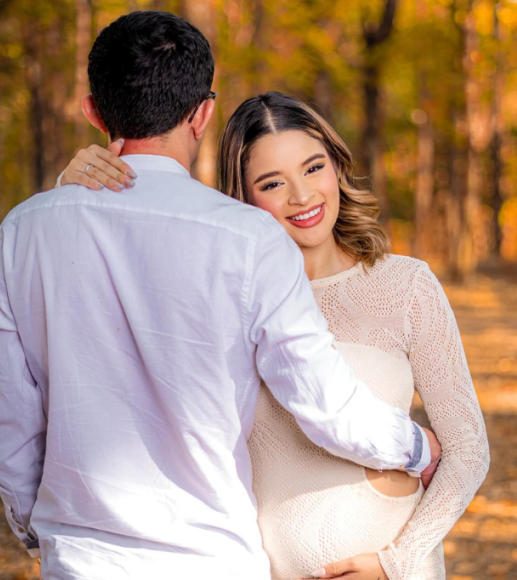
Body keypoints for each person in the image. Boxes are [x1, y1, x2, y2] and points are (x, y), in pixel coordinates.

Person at [0, 12, 439, 580]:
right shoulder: (249, 237)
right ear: (203, 113)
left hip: (80, 556)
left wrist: (36, 528)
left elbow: (7, 417)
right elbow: (322, 399)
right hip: (212, 558)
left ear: (93, 110)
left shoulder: (24, 232)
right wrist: (414, 447)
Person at [59, 92, 490, 580]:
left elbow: (468, 447)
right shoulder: (216, 292)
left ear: (337, 165)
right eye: (272, 183)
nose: (302, 197)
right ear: (244, 197)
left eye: (313, 168)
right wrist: (72, 187)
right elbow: (107, 283)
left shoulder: (405, 285)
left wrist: (398, 562)